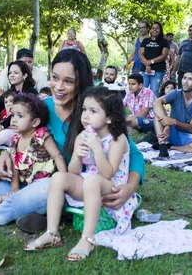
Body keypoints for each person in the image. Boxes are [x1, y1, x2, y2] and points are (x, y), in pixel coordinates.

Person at [0, 50, 145, 232]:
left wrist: (129, 187)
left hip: (73, 186)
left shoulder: (93, 113)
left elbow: (134, 153)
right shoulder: (44, 107)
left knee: (48, 187)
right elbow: (19, 131)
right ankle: (40, 213)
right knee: (0, 185)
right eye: (55, 78)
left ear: (80, 84)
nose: (58, 87)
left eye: (68, 81)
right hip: (36, 178)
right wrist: (6, 153)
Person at [24, 87, 137, 261]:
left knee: (92, 180)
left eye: (93, 111)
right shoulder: (82, 136)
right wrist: (77, 154)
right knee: (59, 177)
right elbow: (74, 171)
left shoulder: (117, 139)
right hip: (89, 183)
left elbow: (108, 173)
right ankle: (52, 232)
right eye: (84, 109)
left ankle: (88, 238)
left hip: (113, 185)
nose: (85, 116)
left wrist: (97, 148)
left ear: (109, 117)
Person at [0, 95, 67, 217]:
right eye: (12, 115)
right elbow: (14, 163)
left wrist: (64, 180)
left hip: (40, 184)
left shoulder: (41, 135)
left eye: (20, 116)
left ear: (35, 122)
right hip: (23, 181)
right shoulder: (16, 138)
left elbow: (57, 156)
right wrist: (15, 187)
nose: (13, 119)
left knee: (41, 194)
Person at [152, 70, 192, 157]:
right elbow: (156, 102)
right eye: (184, 78)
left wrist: (174, 122)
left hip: (189, 137)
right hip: (171, 131)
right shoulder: (176, 93)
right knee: (158, 111)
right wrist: (167, 124)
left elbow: (191, 128)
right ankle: (162, 145)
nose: (186, 81)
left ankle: (171, 147)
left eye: (190, 79)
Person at [138, 22, 169, 96]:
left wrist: (151, 62)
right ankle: (141, 107)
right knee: (142, 90)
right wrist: (147, 64)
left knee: (154, 91)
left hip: (158, 70)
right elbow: (140, 53)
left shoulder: (164, 41)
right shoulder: (145, 41)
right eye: (153, 28)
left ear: (160, 30)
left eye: (157, 28)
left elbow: (164, 55)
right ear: (150, 30)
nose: (155, 30)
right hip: (145, 69)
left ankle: (153, 107)